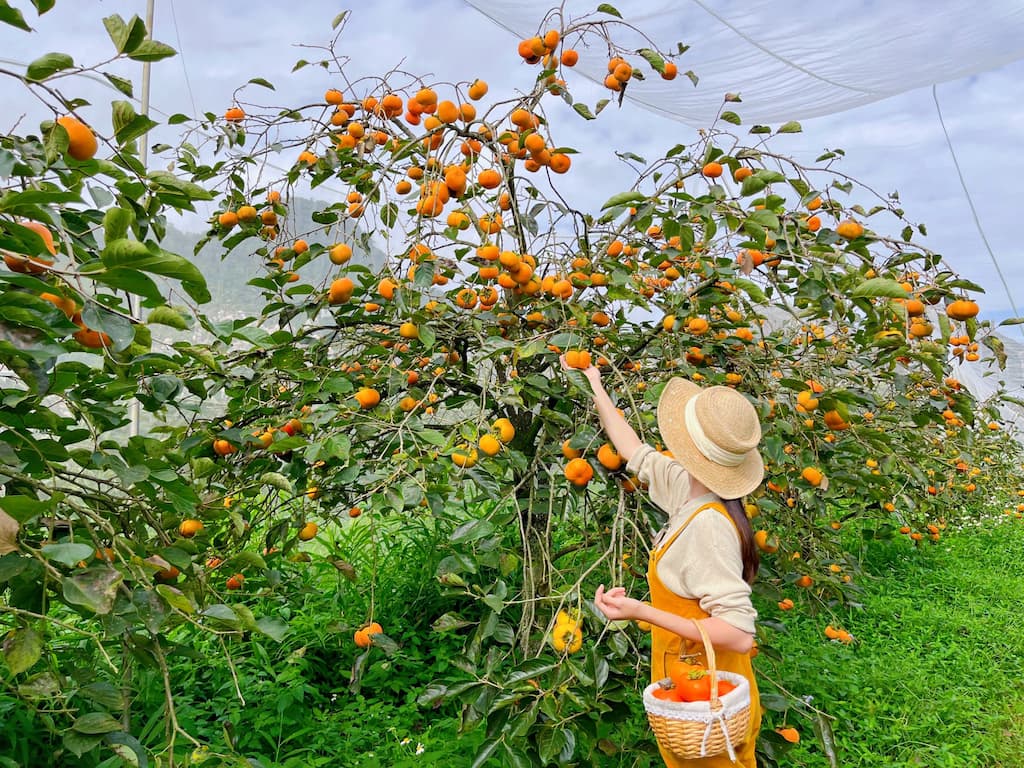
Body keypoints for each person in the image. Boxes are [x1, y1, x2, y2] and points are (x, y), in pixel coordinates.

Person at [567, 357, 763, 767]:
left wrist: (642, 612)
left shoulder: (708, 526)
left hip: (709, 697)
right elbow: (633, 450)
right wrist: (596, 385)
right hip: (691, 686)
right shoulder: (688, 489)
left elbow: (739, 633)